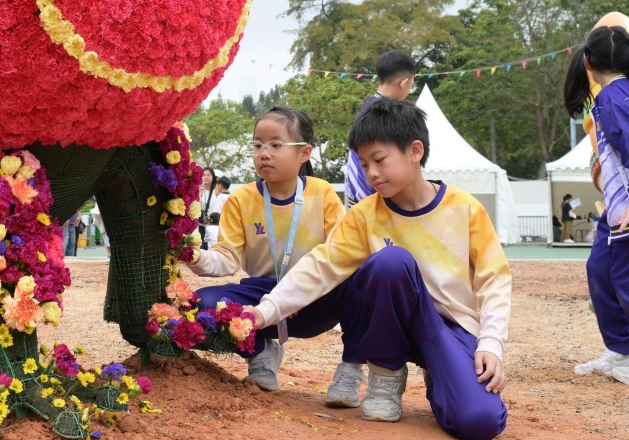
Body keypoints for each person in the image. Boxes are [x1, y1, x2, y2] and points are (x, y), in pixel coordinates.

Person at [245, 98, 510, 439]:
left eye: (380, 161)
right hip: (392, 327)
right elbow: (320, 267)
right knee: (389, 261)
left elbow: (495, 281)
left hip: (447, 328)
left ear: (415, 151)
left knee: (480, 422)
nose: (371, 173)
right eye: (364, 163)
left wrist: (490, 343)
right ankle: (386, 374)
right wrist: (266, 311)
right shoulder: (364, 215)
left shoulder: (466, 209)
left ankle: (441, 370)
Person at [187, 107, 358, 402]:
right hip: (262, 299)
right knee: (202, 306)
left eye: (276, 145)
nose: (264, 153)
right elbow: (227, 258)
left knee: (361, 279)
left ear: (305, 153)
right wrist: (196, 257)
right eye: (257, 145)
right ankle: (261, 348)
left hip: (316, 299)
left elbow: (339, 256)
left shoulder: (323, 194)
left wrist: (300, 290)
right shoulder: (240, 199)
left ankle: (352, 367)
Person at [563, 24, 629, 381]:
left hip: (627, 206)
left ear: (587, 61)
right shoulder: (611, 96)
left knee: (622, 277)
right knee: (600, 269)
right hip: (616, 204)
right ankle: (620, 351)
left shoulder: (614, 98)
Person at [344, 50, 416, 208]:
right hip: (371, 202)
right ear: (405, 83)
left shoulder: (368, 106)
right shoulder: (385, 112)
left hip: (358, 198)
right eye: (412, 85)